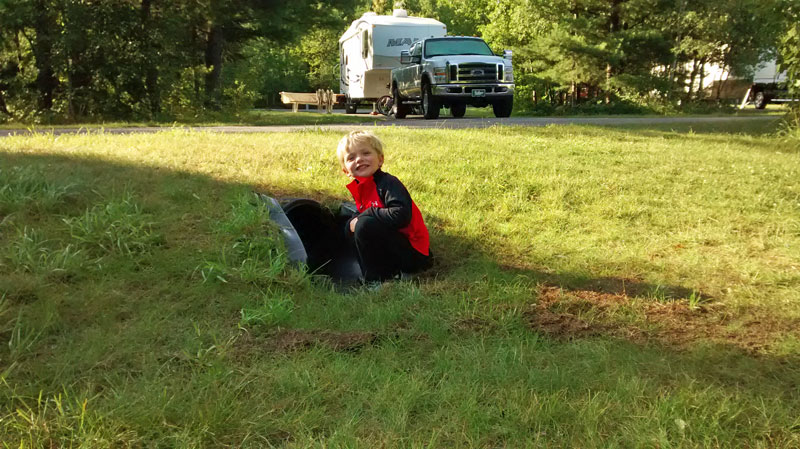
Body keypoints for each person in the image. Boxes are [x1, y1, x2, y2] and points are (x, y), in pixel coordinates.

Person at [336, 130, 432, 283]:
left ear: (380, 160)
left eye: (366, 153)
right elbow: (363, 215)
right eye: (351, 157)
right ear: (346, 171)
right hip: (394, 246)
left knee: (364, 223)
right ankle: (371, 275)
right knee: (351, 227)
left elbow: (401, 216)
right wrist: (353, 223)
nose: (359, 159)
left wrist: (368, 214)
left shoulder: (389, 183)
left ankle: (379, 278)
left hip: (415, 253)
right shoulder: (362, 187)